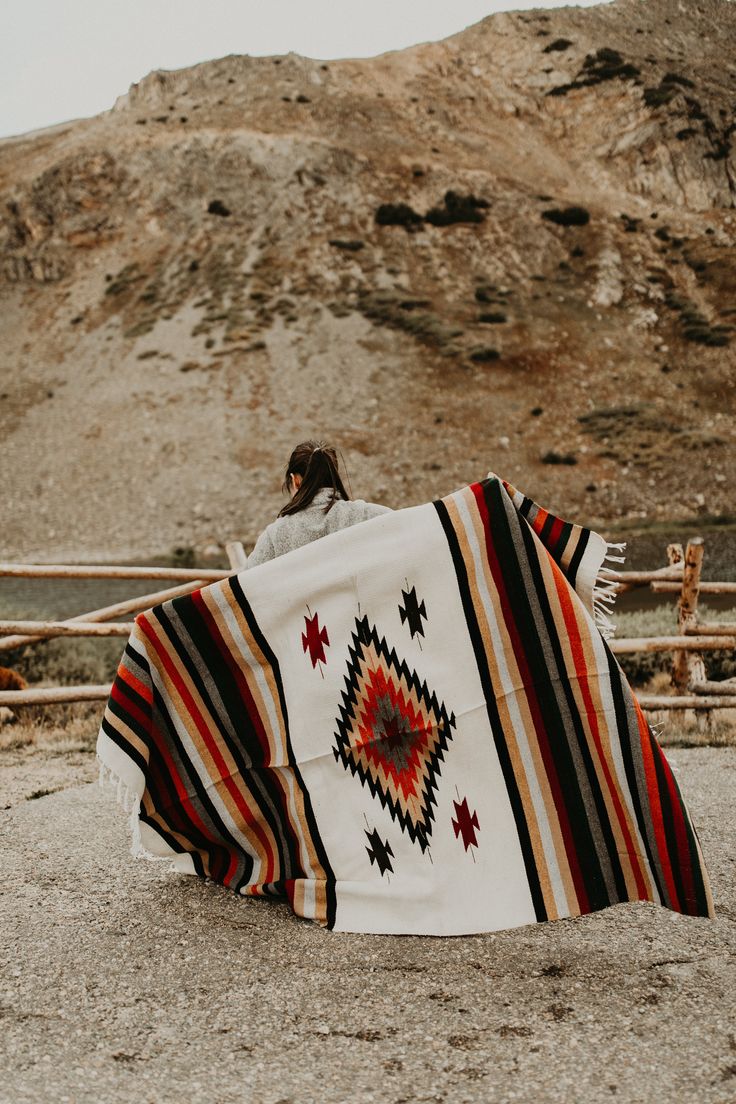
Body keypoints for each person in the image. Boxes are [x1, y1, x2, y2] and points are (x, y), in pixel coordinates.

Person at [246, 440, 392, 567]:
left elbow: (246, 585)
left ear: (295, 480)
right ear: (333, 475)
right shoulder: (367, 515)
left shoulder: (276, 534)